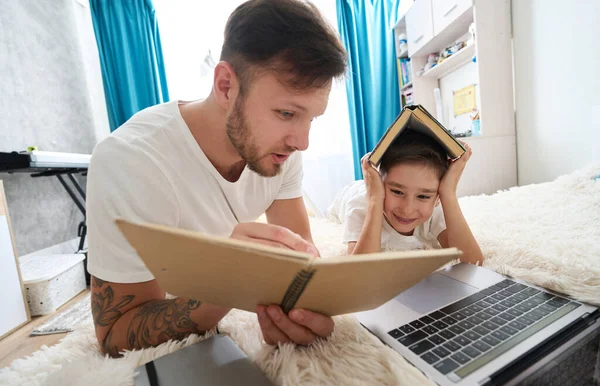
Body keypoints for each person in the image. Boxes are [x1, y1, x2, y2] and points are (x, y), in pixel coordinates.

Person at [87, 0, 347, 357]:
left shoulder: (282, 151)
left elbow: (301, 266)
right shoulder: (131, 161)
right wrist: (230, 278)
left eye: (311, 119)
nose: (302, 141)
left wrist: (300, 310)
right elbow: (115, 332)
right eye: (287, 113)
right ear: (226, 86)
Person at [345, 130, 484, 265]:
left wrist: (448, 193)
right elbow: (358, 270)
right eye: (397, 192)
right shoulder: (361, 205)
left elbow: (472, 262)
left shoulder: (435, 206)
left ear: (437, 197)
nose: (407, 210)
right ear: (380, 183)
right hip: (352, 190)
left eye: (423, 196)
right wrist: (375, 200)